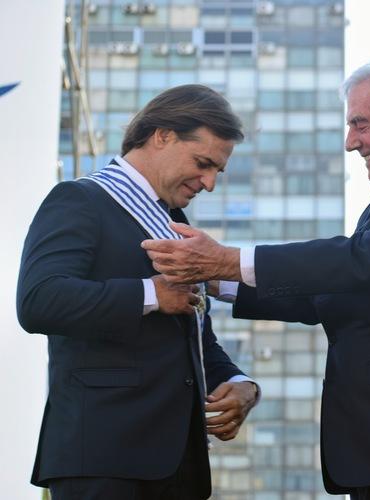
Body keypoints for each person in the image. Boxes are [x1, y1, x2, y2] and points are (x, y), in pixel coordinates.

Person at [143, 57, 370, 499]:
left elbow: (359, 260)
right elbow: (334, 294)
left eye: (360, 124)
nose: (351, 142)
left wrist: (227, 260)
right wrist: (216, 281)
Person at [16, 84, 259, 500]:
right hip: (103, 460)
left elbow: (193, 339)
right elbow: (38, 300)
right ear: (161, 135)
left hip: (179, 468)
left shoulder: (174, 224)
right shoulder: (79, 200)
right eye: (203, 164)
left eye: (218, 170)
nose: (210, 183)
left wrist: (239, 382)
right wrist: (150, 294)